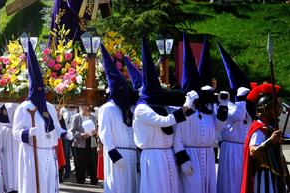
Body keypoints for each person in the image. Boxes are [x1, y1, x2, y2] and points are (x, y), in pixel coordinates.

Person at [132, 38, 197, 193]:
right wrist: (186, 106)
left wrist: (190, 105)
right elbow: (163, 121)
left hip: (167, 154)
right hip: (153, 157)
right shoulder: (141, 109)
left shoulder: (159, 105)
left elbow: (174, 112)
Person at [173, 34, 228, 193]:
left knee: (209, 188)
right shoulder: (185, 110)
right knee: (193, 188)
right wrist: (183, 159)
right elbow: (177, 136)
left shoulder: (207, 109)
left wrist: (223, 107)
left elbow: (218, 127)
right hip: (192, 154)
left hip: (208, 155)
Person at [12, 41, 62, 193]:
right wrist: (27, 133)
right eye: (37, 88)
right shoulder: (24, 108)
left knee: (48, 186)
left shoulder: (50, 107)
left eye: (43, 89)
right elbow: (15, 132)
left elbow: (56, 129)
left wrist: (66, 133)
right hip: (31, 153)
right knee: (33, 186)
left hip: (48, 152)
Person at [98, 44, 139, 193]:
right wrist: (113, 154)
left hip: (133, 155)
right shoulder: (107, 109)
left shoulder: (131, 108)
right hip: (117, 156)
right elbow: (104, 133)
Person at [217, 43, 253, 193]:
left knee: (242, 183)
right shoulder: (228, 104)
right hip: (230, 148)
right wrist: (240, 98)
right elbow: (238, 116)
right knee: (231, 183)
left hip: (243, 148)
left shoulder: (245, 105)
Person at [71, 105, 98, 185]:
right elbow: (72, 131)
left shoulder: (93, 116)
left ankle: (94, 180)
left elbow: (97, 129)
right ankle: (80, 180)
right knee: (80, 163)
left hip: (91, 142)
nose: (86, 107)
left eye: (87, 106)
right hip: (80, 143)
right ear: (81, 107)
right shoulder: (76, 117)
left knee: (93, 162)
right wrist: (81, 135)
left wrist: (95, 132)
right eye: (84, 106)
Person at [0, 103, 19, 193]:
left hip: (16, 133)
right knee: (6, 160)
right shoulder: (4, 103)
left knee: (16, 160)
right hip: (6, 132)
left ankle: (16, 185)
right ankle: (8, 185)